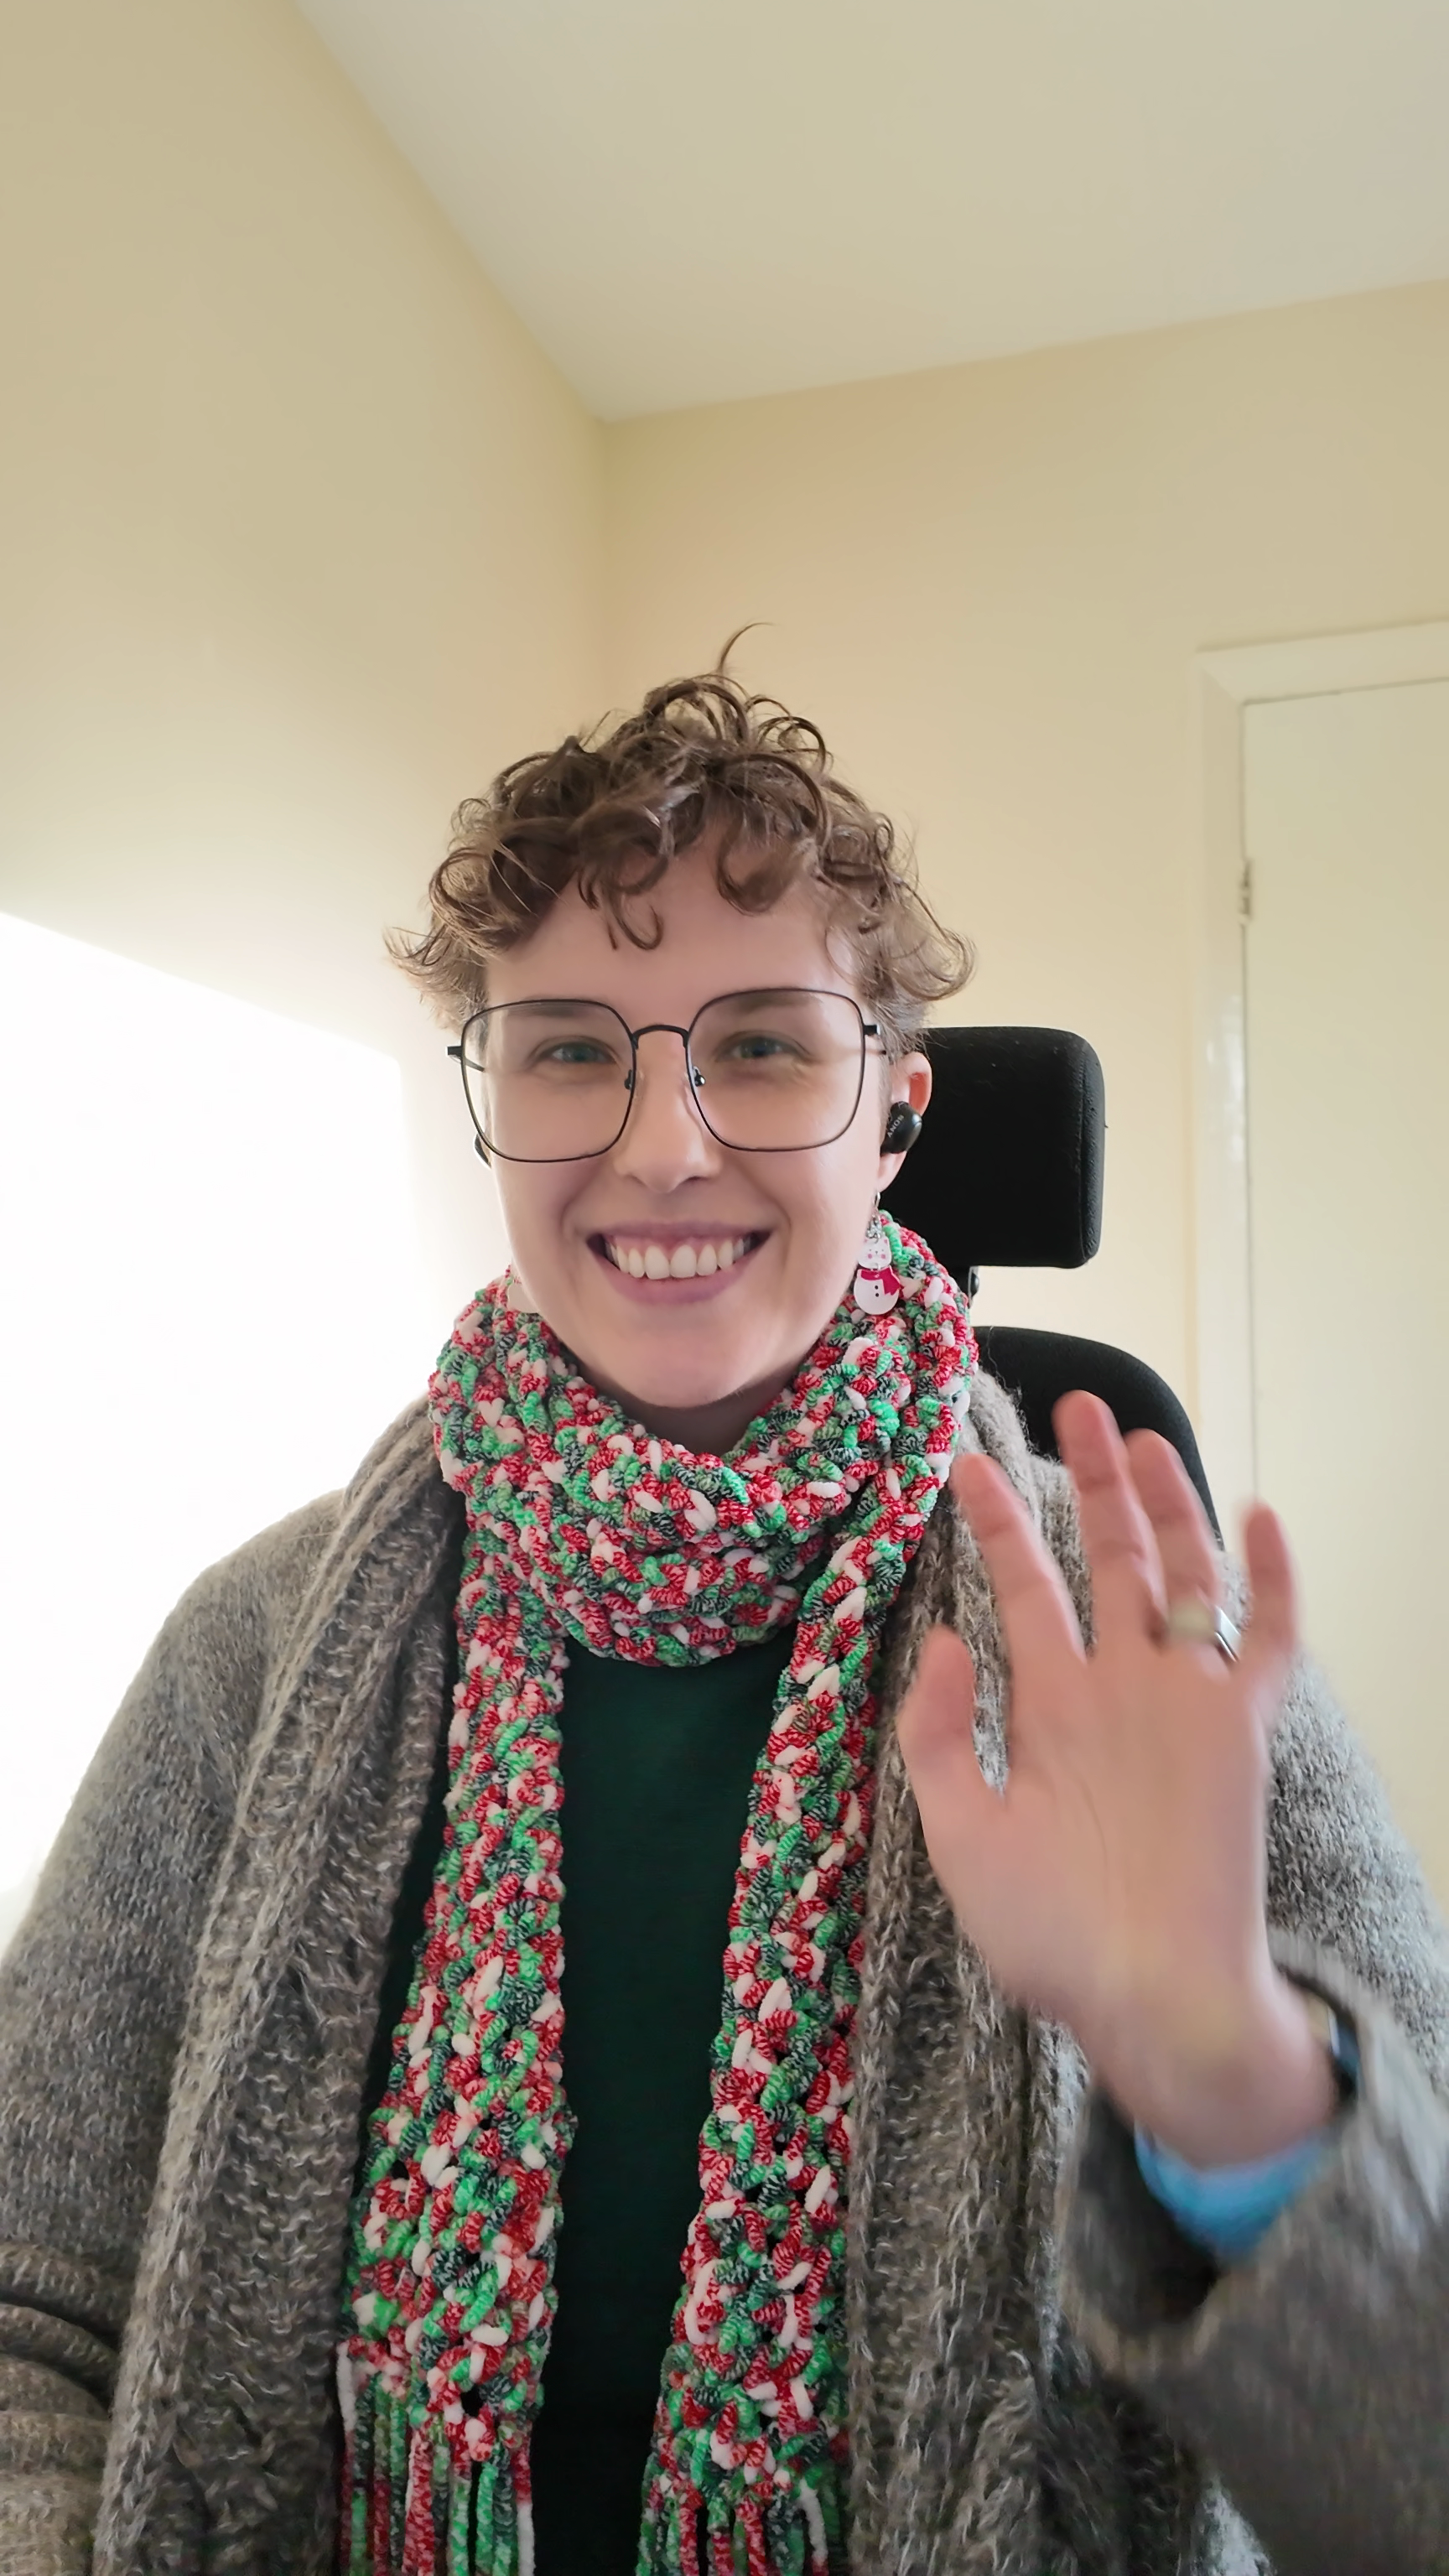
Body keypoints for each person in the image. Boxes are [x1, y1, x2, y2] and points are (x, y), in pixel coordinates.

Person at [0, 671, 1444, 2576]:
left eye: (761, 1045)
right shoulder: (250, 1655)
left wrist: (1228, 2083)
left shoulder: (1151, 1660)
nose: (665, 1145)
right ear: (490, 1105)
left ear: (895, 1112)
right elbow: (32, 2319)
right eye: (568, 1050)